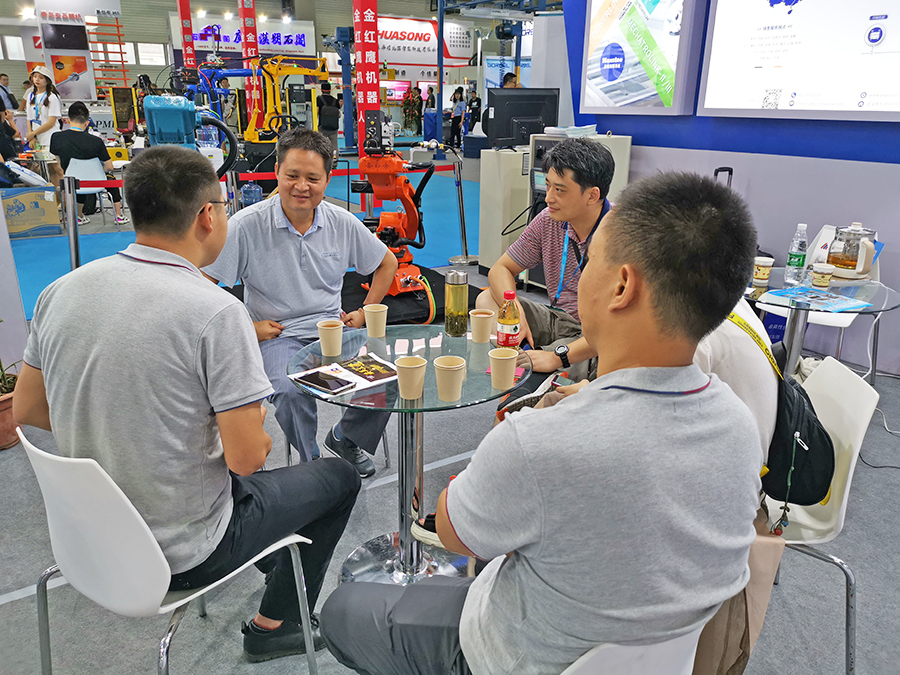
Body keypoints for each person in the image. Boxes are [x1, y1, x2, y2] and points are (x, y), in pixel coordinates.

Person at [318, 171, 762, 675]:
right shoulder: (739, 427)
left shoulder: (538, 441)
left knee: (343, 611)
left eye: (591, 264)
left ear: (621, 286)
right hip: (664, 660)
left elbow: (454, 532)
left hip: (510, 655)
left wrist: (517, 444)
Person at [13, 144, 362, 663]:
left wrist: (131, 428)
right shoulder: (215, 312)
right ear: (206, 216)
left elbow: (26, 409)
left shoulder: (59, 291)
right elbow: (248, 458)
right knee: (338, 478)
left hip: (86, 539)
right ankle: (276, 624)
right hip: (184, 553)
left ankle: (276, 563)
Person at [203, 128, 398, 477]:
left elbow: (387, 263)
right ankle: (313, 466)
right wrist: (248, 328)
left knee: (389, 377)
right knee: (291, 393)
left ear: (327, 180)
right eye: (292, 175)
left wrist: (364, 313)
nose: (301, 186)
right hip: (279, 337)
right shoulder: (246, 226)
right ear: (277, 171)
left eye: (312, 178)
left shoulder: (342, 222)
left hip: (334, 331)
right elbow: (201, 286)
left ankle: (346, 438)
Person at [476, 137, 614, 382]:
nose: (548, 197)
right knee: (486, 299)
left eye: (559, 190)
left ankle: (540, 368)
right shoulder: (548, 220)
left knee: (592, 362)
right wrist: (516, 314)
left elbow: (622, 328)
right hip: (559, 318)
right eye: (548, 185)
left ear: (592, 196)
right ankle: (528, 365)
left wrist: (557, 357)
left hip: (596, 336)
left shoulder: (620, 235)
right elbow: (500, 269)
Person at [49, 101, 129, 226]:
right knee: (110, 179)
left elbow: (59, 161)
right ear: (87, 123)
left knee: (78, 181)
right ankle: (118, 215)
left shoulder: (56, 137)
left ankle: (79, 216)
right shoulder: (96, 141)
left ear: (68, 120)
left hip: (72, 182)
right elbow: (109, 166)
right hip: (97, 181)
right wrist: (97, 171)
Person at [24, 65, 64, 191]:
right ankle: (56, 197)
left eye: (41, 77)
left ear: (47, 80)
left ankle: (66, 194)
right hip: (38, 139)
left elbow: (51, 122)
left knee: (57, 168)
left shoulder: (52, 97)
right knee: (48, 169)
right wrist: (31, 137)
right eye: (35, 76)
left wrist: (33, 133)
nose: (37, 79)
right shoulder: (31, 96)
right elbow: (29, 119)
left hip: (51, 138)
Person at [316, 81, 341, 159]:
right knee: (334, 146)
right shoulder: (335, 100)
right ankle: (335, 161)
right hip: (333, 127)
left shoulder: (318, 99)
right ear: (330, 90)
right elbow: (339, 114)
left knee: (320, 144)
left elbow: (316, 112)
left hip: (322, 126)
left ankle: (321, 161)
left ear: (321, 90)